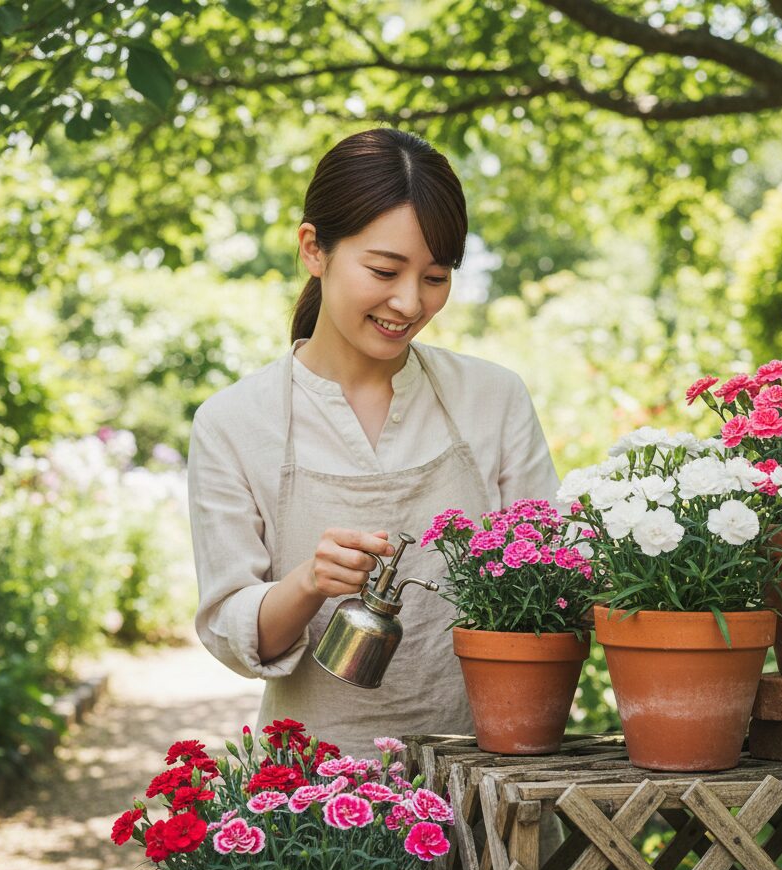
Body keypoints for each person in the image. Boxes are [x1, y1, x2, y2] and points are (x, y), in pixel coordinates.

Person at [187, 127, 559, 758]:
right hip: (312, 788)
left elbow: (552, 575)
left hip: (486, 772)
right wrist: (308, 583)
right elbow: (234, 636)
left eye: (435, 277)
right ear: (314, 248)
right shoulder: (233, 422)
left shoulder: (492, 398)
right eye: (384, 270)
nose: (409, 302)